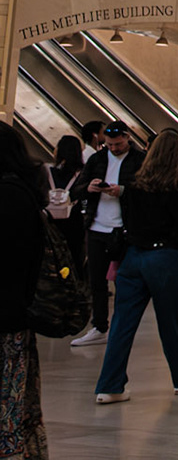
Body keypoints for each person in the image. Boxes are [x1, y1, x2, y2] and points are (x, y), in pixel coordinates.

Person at [92, 128, 178, 403]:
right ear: (177, 156)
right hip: (164, 258)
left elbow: (126, 219)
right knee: (172, 322)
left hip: (132, 258)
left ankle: (109, 385)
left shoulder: (135, 184)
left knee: (122, 323)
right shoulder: (176, 187)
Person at [0, 123, 49, 460]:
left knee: (8, 406)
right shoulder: (23, 193)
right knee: (17, 404)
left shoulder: (7, 196)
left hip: (5, 318)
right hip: (16, 318)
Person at [72, 121, 144, 348]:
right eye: (109, 144)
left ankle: (122, 326)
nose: (113, 148)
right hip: (96, 226)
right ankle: (99, 325)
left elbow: (148, 189)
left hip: (125, 228)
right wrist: (89, 188)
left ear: (127, 138)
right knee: (96, 280)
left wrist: (122, 191)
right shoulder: (97, 159)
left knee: (124, 281)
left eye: (118, 144)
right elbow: (76, 189)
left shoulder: (140, 159)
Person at [47, 132, 87, 267]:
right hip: (74, 221)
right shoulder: (84, 174)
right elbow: (85, 199)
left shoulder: (48, 172)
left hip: (51, 221)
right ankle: (75, 283)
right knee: (75, 255)